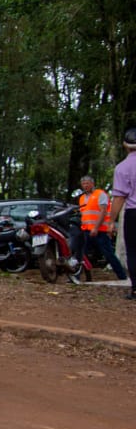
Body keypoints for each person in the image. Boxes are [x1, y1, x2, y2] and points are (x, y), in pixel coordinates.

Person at [77, 175, 128, 281]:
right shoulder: (82, 198)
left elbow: (103, 211)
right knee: (82, 255)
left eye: (87, 183)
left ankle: (122, 276)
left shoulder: (100, 194)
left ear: (92, 184)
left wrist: (96, 228)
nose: (85, 186)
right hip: (86, 230)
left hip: (100, 231)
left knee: (108, 254)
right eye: (83, 184)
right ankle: (78, 276)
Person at [109, 128, 136, 300]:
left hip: (134, 214)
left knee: (134, 252)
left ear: (125, 146)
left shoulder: (122, 168)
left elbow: (119, 197)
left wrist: (112, 220)